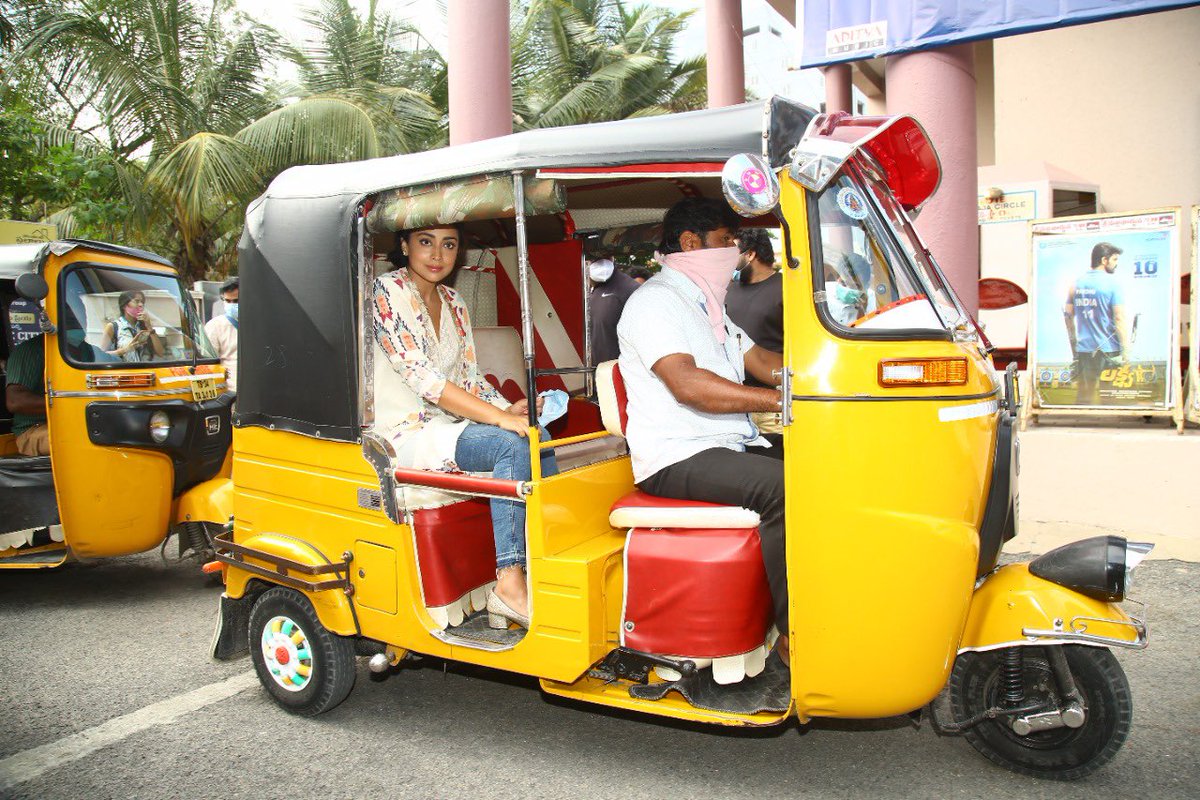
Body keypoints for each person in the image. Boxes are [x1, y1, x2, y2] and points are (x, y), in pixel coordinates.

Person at [616, 198, 789, 661]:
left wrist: (826, 378)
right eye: (726, 242)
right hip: (675, 456)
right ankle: (798, 634)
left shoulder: (709, 307)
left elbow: (764, 362)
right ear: (692, 244)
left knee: (822, 462)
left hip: (725, 443)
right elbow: (688, 385)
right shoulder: (655, 302)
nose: (735, 253)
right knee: (786, 489)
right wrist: (782, 400)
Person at [372, 225, 558, 630]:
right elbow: (422, 378)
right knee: (511, 444)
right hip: (403, 432)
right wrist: (500, 419)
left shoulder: (455, 301)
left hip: (448, 426)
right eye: (425, 242)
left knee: (536, 436)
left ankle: (547, 563)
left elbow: (469, 378)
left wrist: (510, 408)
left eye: (449, 244)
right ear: (404, 246)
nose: (437, 253)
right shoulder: (387, 291)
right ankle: (509, 582)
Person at [726, 228, 783, 433]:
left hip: (773, 403)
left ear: (750, 254)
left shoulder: (785, 288)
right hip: (736, 401)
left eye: (731, 253)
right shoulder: (728, 289)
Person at [1063, 242, 1128, 405]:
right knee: (1110, 395)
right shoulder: (1114, 285)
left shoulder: (1075, 285)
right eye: (1114, 259)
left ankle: (1080, 423)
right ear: (1104, 260)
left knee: (1084, 394)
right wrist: (1126, 350)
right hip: (1109, 350)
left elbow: (1068, 317)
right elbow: (1119, 319)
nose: (1116, 263)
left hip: (1084, 349)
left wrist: (1074, 348)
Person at [587, 256, 640, 364]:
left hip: (617, 373)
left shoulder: (630, 289)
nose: (600, 261)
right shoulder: (583, 290)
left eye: (605, 255)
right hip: (591, 372)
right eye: (593, 257)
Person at [5, 334, 49, 456]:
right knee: (79, 438)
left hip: (77, 423)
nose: (79, 320)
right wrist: (64, 404)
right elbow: (15, 401)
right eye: (70, 318)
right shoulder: (31, 350)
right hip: (33, 430)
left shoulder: (89, 351)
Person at [100, 290, 164, 362]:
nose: (140, 305)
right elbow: (101, 355)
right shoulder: (113, 327)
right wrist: (125, 350)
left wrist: (149, 327)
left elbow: (160, 353)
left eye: (142, 302)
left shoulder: (142, 327)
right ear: (124, 305)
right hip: (122, 371)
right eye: (137, 301)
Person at [205, 277, 240, 391]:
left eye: (236, 301)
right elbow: (208, 363)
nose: (231, 305)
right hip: (230, 393)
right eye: (227, 301)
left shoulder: (261, 324)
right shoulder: (214, 326)